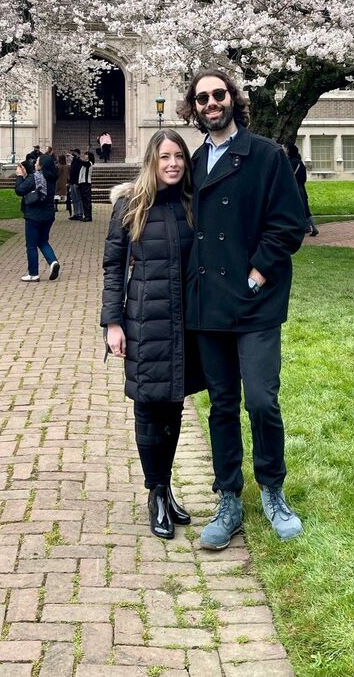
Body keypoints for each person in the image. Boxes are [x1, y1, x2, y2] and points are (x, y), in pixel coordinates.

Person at [178, 68, 305, 548]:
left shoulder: (267, 155)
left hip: (254, 303)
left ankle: (273, 489)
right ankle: (228, 495)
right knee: (222, 405)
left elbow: (289, 224)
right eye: (202, 97)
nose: (211, 102)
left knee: (260, 400)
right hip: (209, 304)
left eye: (218, 94)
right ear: (194, 108)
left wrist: (257, 274)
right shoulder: (195, 164)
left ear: (233, 99)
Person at [101, 130, 204, 539]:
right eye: (165, 157)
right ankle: (155, 492)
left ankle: (166, 485)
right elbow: (112, 266)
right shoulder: (130, 205)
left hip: (185, 323)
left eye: (179, 156)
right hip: (144, 319)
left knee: (174, 406)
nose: (173, 163)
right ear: (152, 161)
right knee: (148, 406)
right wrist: (112, 322)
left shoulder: (192, 205)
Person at [15, 153, 60, 282]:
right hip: (48, 215)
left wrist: (19, 176)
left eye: (37, 162)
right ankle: (53, 262)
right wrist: (25, 176)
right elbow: (31, 185)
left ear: (41, 166)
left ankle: (33, 273)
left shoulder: (35, 178)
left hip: (33, 216)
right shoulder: (51, 178)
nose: (35, 164)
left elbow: (20, 190)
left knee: (31, 245)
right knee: (43, 241)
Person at [286, 143, 318, 236]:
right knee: (306, 209)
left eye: (286, 148)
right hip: (301, 188)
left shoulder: (290, 162)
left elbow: (288, 176)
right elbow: (304, 178)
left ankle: (298, 228)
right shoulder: (300, 163)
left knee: (293, 209)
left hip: (293, 189)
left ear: (289, 151)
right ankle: (313, 227)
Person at [67, 149, 84, 220]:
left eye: (75, 153)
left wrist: (77, 182)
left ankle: (80, 213)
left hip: (76, 182)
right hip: (72, 182)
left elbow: (79, 172)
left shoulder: (79, 161)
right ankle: (76, 213)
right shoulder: (74, 161)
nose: (73, 154)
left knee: (78, 198)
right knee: (74, 199)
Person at [77, 150, 94, 221]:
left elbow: (82, 162)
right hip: (82, 183)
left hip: (86, 183)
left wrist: (76, 158)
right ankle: (86, 215)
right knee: (84, 200)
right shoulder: (85, 163)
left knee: (87, 200)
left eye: (86, 155)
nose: (85, 156)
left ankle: (88, 216)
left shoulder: (89, 163)